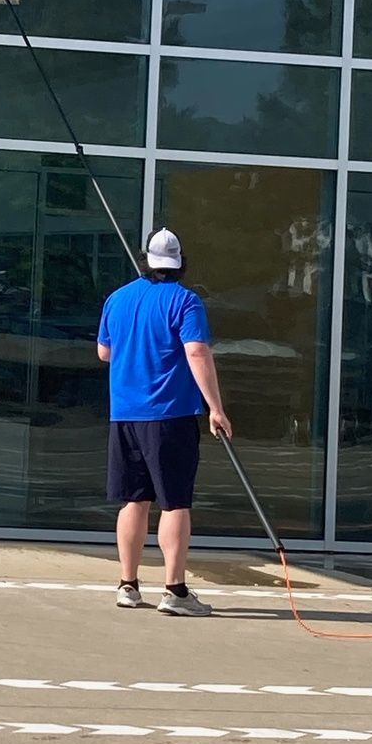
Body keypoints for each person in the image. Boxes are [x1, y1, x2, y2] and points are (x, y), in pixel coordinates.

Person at [96, 228, 232, 617]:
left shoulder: (117, 299)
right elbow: (197, 352)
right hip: (170, 415)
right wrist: (216, 408)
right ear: (180, 263)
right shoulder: (186, 301)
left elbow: (104, 352)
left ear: (146, 261)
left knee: (134, 500)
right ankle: (175, 590)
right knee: (175, 503)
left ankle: (128, 585)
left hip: (125, 415)